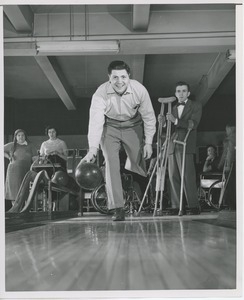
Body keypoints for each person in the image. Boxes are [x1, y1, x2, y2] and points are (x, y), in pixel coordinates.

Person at [80, 60, 156, 221]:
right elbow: (95, 122)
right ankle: (117, 207)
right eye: (115, 77)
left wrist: (148, 142)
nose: (119, 81)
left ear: (129, 77)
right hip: (110, 127)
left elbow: (149, 116)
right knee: (110, 164)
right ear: (109, 78)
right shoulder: (100, 93)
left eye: (123, 77)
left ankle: (130, 166)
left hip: (133, 125)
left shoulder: (139, 90)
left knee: (138, 162)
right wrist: (93, 148)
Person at [160, 81, 202, 215]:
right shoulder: (172, 108)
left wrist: (176, 121)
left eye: (184, 91)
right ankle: (176, 206)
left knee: (187, 175)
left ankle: (193, 206)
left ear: (188, 93)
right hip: (172, 144)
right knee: (173, 175)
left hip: (186, 143)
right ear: (175, 93)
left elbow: (193, 124)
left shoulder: (195, 105)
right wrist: (164, 123)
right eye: (179, 91)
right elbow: (168, 130)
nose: (181, 93)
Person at [4, 129, 37, 211]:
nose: (21, 137)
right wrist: (8, 157)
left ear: (25, 136)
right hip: (13, 172)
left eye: (22, 135)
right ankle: (15, 211)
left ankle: (24, 211)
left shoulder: (30, 145)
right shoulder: (12, 145)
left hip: (25, 171)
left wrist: (37, 161)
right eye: (18, 135)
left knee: (25, 191)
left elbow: (35, 159)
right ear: (15, 137)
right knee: (14, 191)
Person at [218, 124, 236, 209]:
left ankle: (230, 205)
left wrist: (222, 165)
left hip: (230, 165)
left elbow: (228, 154)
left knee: (229, 185)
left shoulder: (230, 140)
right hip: (235, 164)